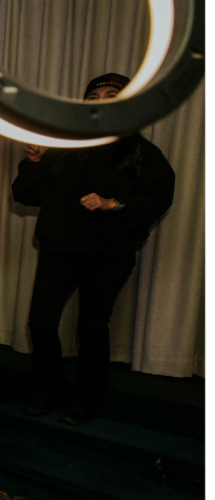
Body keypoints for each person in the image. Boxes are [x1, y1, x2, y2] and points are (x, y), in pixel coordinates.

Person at [12, 72, 175, 425]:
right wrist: (35, 163)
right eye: (93, 97)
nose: (100, 101)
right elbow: (25, 195)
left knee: (91, 327)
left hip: (109, 253)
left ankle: (87, 401)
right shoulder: (63, 146)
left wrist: (113, 203)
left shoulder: (142, 152)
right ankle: (49, 389)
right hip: (59, 249)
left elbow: (159, 197)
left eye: (110, 95)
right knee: (40, 321)